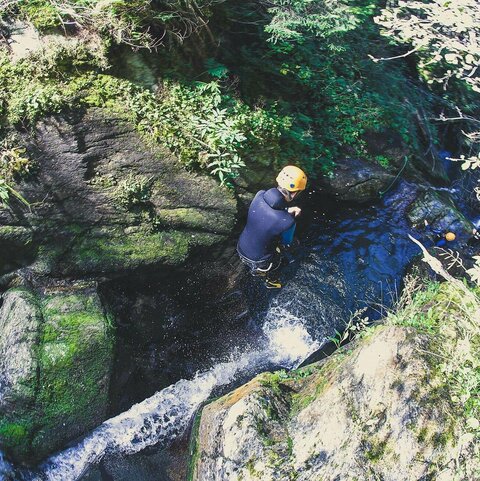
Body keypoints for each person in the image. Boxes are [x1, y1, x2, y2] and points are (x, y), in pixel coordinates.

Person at [237, 165, 307, 288]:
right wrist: (288, 216)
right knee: (286, 254)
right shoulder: (288, 222)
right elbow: (287, 242)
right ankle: (270, 280)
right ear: (295, 193)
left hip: (241, 246)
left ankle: (259, 270)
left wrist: (285, 210)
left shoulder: (259, 195)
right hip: (258, 260)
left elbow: (268, 211)